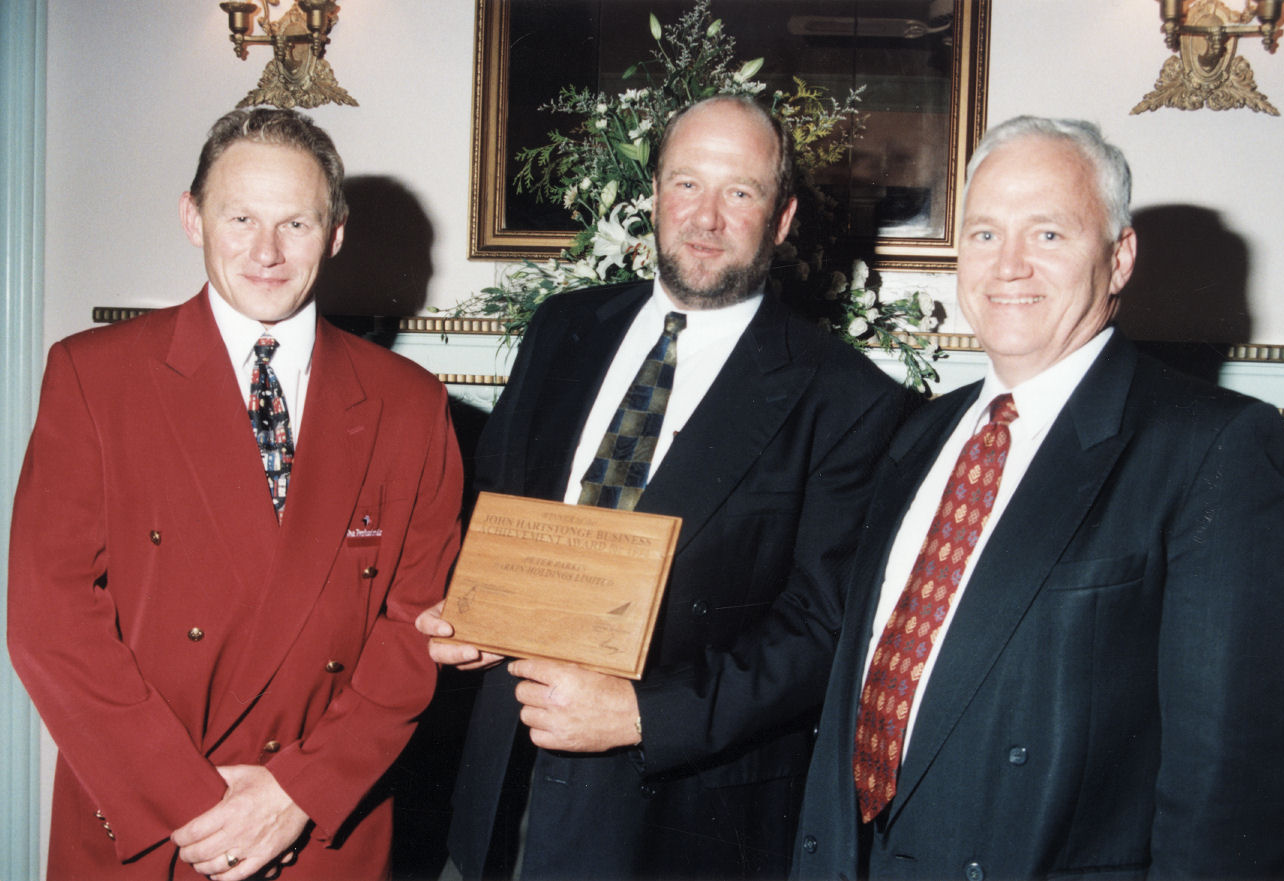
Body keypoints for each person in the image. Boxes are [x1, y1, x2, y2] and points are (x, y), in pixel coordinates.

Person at [793, 115, 1284, 880]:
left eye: (1047, 235)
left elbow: (1236, 788)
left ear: (1120, 257)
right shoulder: (917, 432)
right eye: (983, 235)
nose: (1008, 266)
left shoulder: (1213, 449)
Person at [414, 95, 914, 880]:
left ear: (781, 220)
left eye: (740, 193)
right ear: (653, 197)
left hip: (679, 822)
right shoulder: (562, 329)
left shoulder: (849, 401)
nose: (705, 218)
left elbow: (823, 630)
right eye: (686, 185)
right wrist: (460, 606)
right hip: (502, 792)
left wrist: (642, 714)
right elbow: (490, 507)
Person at [7, 108, 464, 881]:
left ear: (337, 232)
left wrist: (298, 792)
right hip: (148, 819)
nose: (267, 252)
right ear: (192, 217)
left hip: (322, 826)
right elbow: (48, 617)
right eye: (240, 217)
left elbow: (414, 625)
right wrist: (188, 800)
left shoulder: (410, 403)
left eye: (296, 223)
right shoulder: (95, 376)